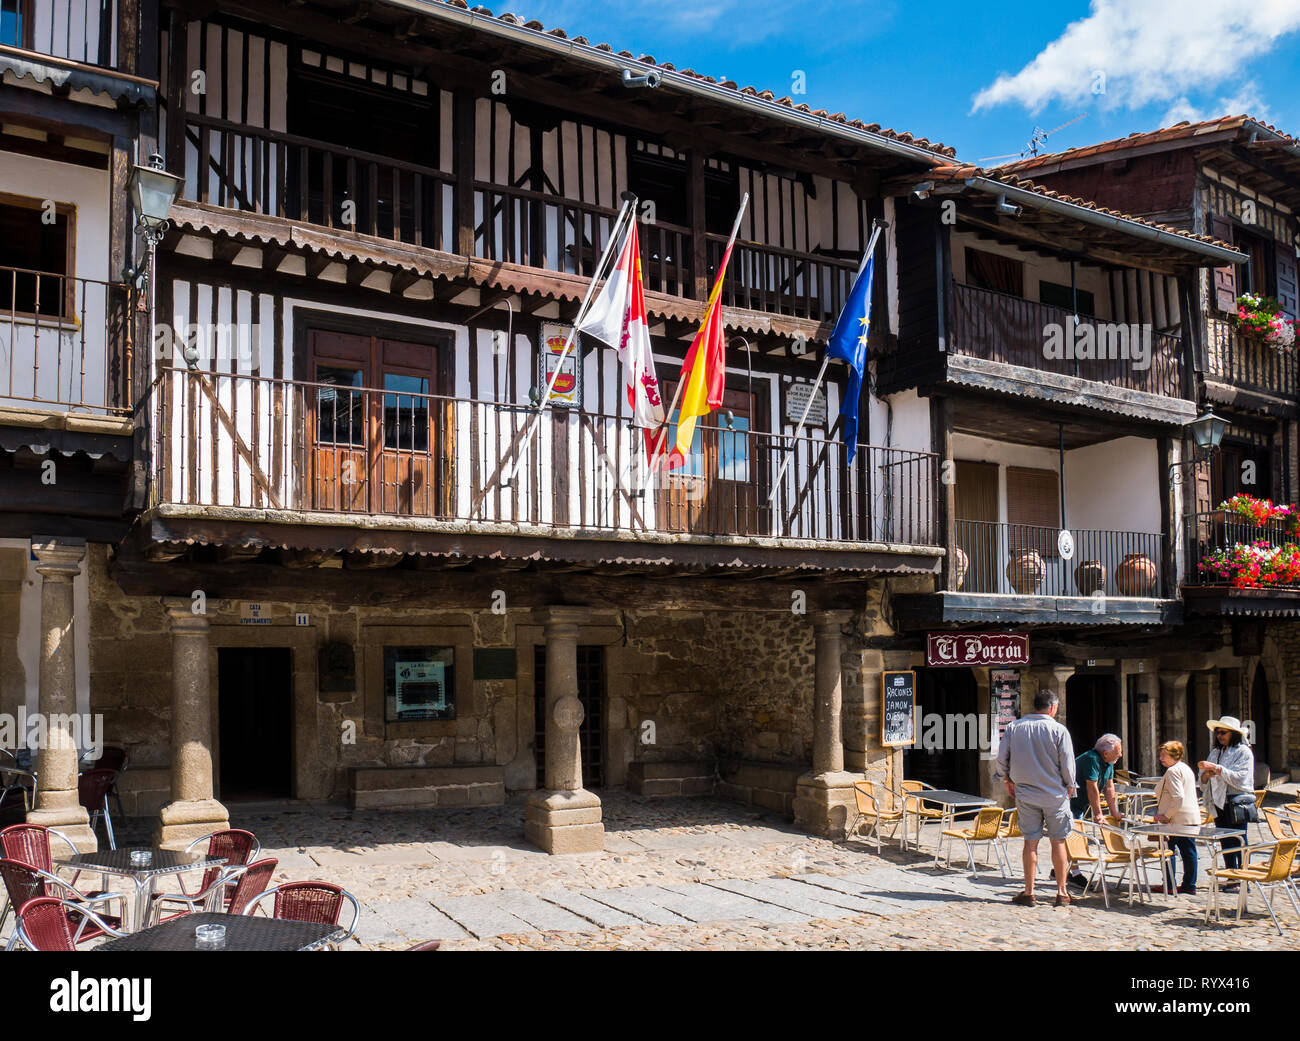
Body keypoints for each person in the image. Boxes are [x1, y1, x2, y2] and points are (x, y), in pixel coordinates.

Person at [994, 688, 1077, 907]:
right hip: (1054, 794)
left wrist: (1006, 779)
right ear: (1052, 707)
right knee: (1058, 841)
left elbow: (1002, 758)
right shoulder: (1059, 730)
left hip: (1026, 793)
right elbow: (1068, 763)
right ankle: (1062, 892)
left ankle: (1029, 892)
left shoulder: (1014, 727)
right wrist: (1070, 785)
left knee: (1030, 842)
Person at [1058, 733, 1122, 890]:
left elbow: (1109, 787)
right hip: (1067, 802)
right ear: (1106, 753)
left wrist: (1114, 812)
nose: (1120, 755)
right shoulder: (1091, 759)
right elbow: (1091, 787)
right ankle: (1075, 874)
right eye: (1118, 752)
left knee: (1072, 835)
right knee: (1072, 836)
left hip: (1079, 804)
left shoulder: (1109, 763)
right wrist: (1098, 813)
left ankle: (1059, 870)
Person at [1198, 716, 1256, 877]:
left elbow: (1241, 778)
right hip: (1219, 801)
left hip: (1236, 802)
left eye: (1223, 732)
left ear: (1233, 734)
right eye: (1217, 732)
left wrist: (1217, 769)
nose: (1220, 736)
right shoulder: (1216, 752)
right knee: (1225, 840)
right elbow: (1202, 779)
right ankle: (1231, 875)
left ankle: (1242, 876)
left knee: (1238, 840)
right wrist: (1205, 776)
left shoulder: (1243, 752)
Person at [1152, 740, 1200, 894]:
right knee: (1188, 851)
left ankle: (1169, 884)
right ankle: (1189, 884)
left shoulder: (1173, 771)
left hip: (1176, 819)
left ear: (1174, 755)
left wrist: (1166, 815)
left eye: (1164, 755)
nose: (1161, 758)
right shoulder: (1185, 768)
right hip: (1189, 818)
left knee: (1167, 850)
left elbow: (1178, 797)